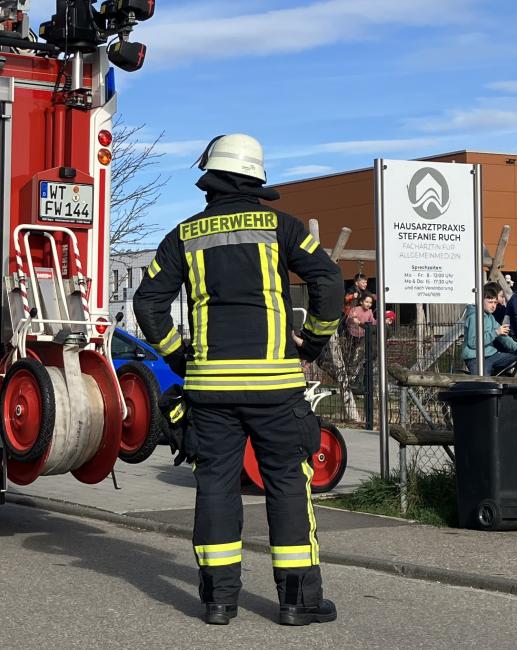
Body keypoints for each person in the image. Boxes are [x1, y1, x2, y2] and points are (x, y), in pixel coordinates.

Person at [134, 133, 344, 627]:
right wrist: (311, 342)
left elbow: (148, 303)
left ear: (211, 179)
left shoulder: (185, 234)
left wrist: (182, 360)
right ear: (257, 178)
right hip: (276, 390)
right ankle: (299, 602)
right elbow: (329, 281)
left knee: (216, 489)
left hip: (210, 393)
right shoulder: (283, 228)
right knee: (288, 487)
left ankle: (218, 602)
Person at [464, 283, 517, 375]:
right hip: (475, 357)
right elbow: (473, 343)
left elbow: (503, 336)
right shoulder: (474, 317)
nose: (493, 306)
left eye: (495, 302)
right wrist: (495, 332)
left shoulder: (490, 317)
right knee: (484, 384)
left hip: (492, 355)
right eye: (490, 302)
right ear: (480, 300)